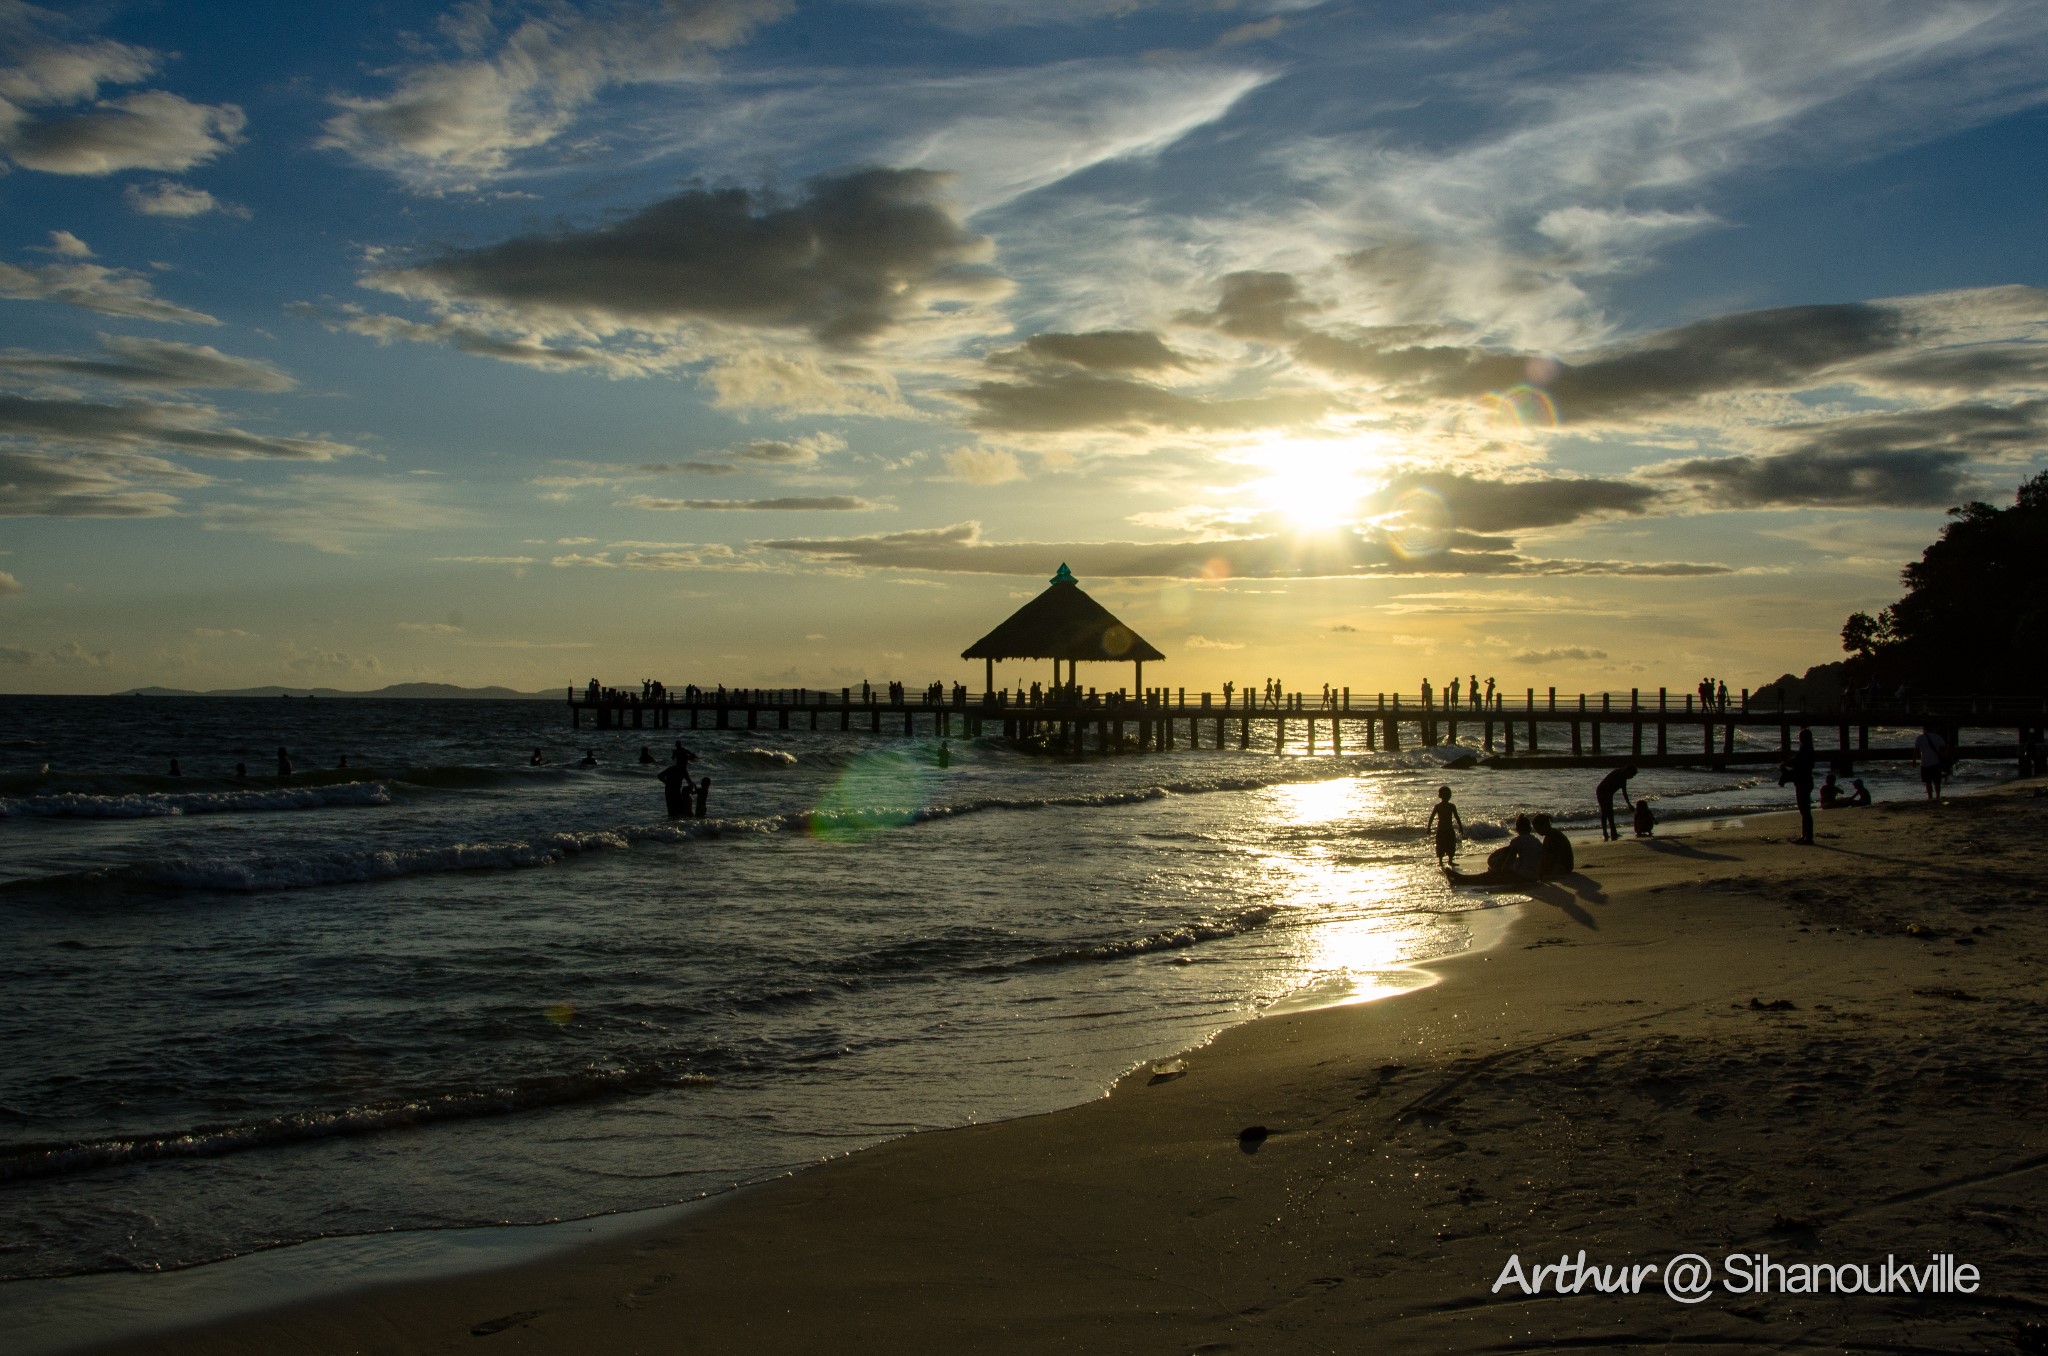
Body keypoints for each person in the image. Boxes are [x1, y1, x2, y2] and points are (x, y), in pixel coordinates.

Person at [1782, 727, 1817, 844]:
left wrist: (1784, 763)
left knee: (1805, 811)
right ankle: (1806, 836)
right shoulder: (1809, 749)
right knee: (1804, 811)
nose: (1799, 739)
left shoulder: (1805, 750)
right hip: (1806, 781)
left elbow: (1796, 761)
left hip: (1803, 782)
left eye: (1800, 737)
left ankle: (1808, 837)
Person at [1595, 765, 1636, 841]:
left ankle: (1613, 832)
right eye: (1632, 775)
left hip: (1609, 793)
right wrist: (1608, 798)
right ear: (1628, 772)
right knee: (1605, 812)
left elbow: (1624, 793)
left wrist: (1629, 804)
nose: (1631, 777)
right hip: (1602, 791)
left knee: (1610, 813)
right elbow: (1607, 785)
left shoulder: (1624, 778)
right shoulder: (1617, 774)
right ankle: (1605, 832)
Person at [1426, 785, 1464, 867]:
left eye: (1449, 794)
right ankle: (1440, 861)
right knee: (1440, 845)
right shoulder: (1438, 806)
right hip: (1442, 830)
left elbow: (1457, 817)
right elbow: (1431, 817)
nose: (1449, 796)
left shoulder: (1451, 806)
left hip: (1448, 829)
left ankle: (1449, 861)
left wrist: (1460, 827)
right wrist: (1428, 827)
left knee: (1451, 845)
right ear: (1442, 796)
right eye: (1448, 794)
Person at [1914, 723, 1948, 801]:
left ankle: (1930, 797)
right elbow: (1943, 749)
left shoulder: (1920, 738)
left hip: (1925, 762)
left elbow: (1916, 750)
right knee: (1937, 781)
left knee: (1927, 781)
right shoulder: (1938, 737)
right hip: (1936, 762)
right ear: (1933, 729)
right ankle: (1938, 796)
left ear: (1924, 729)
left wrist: (1914, 761)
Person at [1533, 813, 1573, 878]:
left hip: (1563, 866)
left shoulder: (1553, 836)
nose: (1537, 831)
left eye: (1538, 828)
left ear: (1545, 825)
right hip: (1562, 864)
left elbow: (1550, 856)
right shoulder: (1549, 835)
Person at [657, 749, 692, 818]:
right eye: (686, 760)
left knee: (671, 811)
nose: (687, 762)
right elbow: (689, 782)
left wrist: (667, 783)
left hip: (669, 791)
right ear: (682, 760)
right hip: (675, 791)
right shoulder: (682, 770)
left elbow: (660, 776)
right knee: (678, 811)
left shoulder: (671, 769)